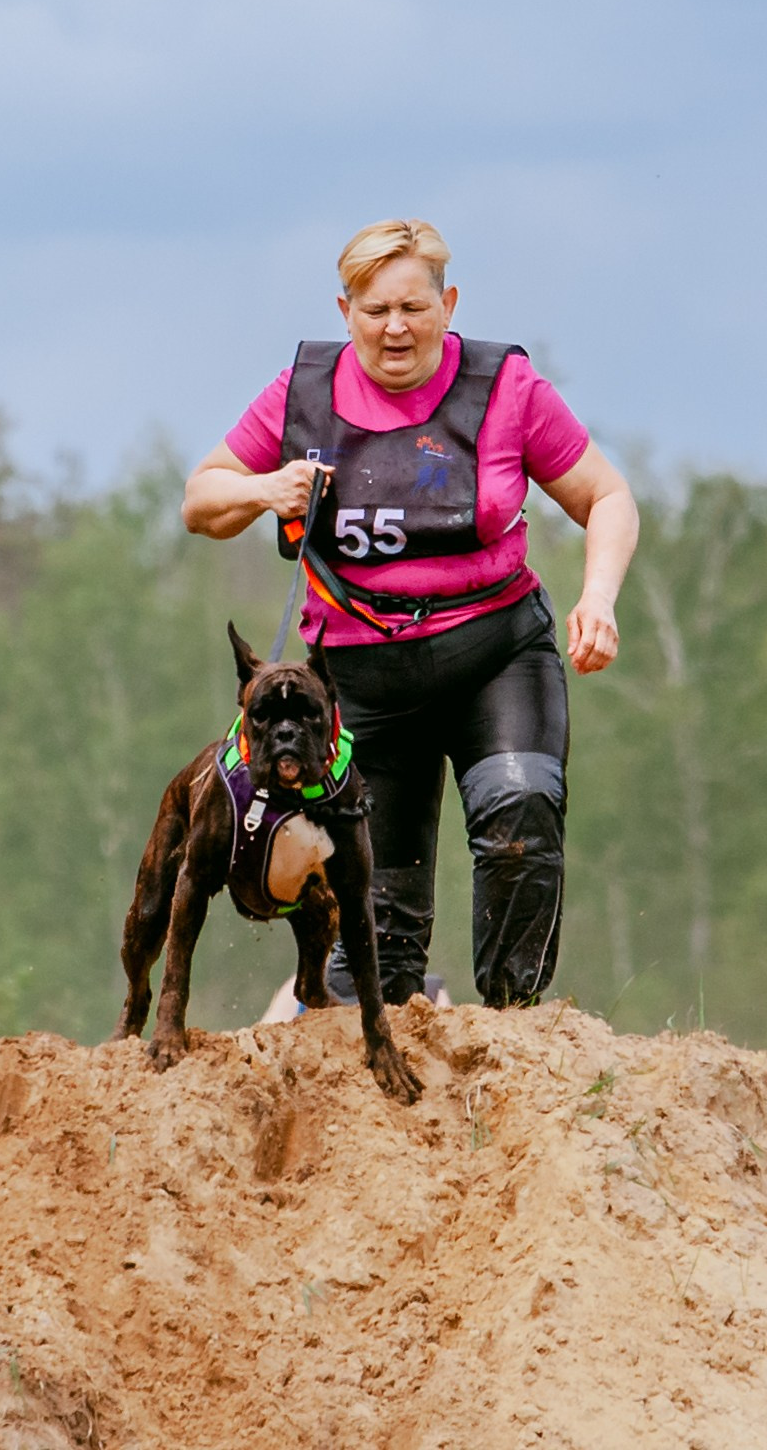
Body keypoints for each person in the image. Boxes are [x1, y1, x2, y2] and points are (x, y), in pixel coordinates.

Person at [184, 219, 638, 1010]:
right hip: (362, 683)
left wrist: (596, 598)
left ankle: (515, 1032)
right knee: (376, 934)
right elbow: (201, 498)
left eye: (414, 308)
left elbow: (607, 497)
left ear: (447, 304)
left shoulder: (507, 389)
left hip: (493, 656)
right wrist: (265, 490)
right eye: (375, 310)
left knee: (519, 815)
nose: (396, 328)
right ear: (345, 311)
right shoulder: (302, 396)